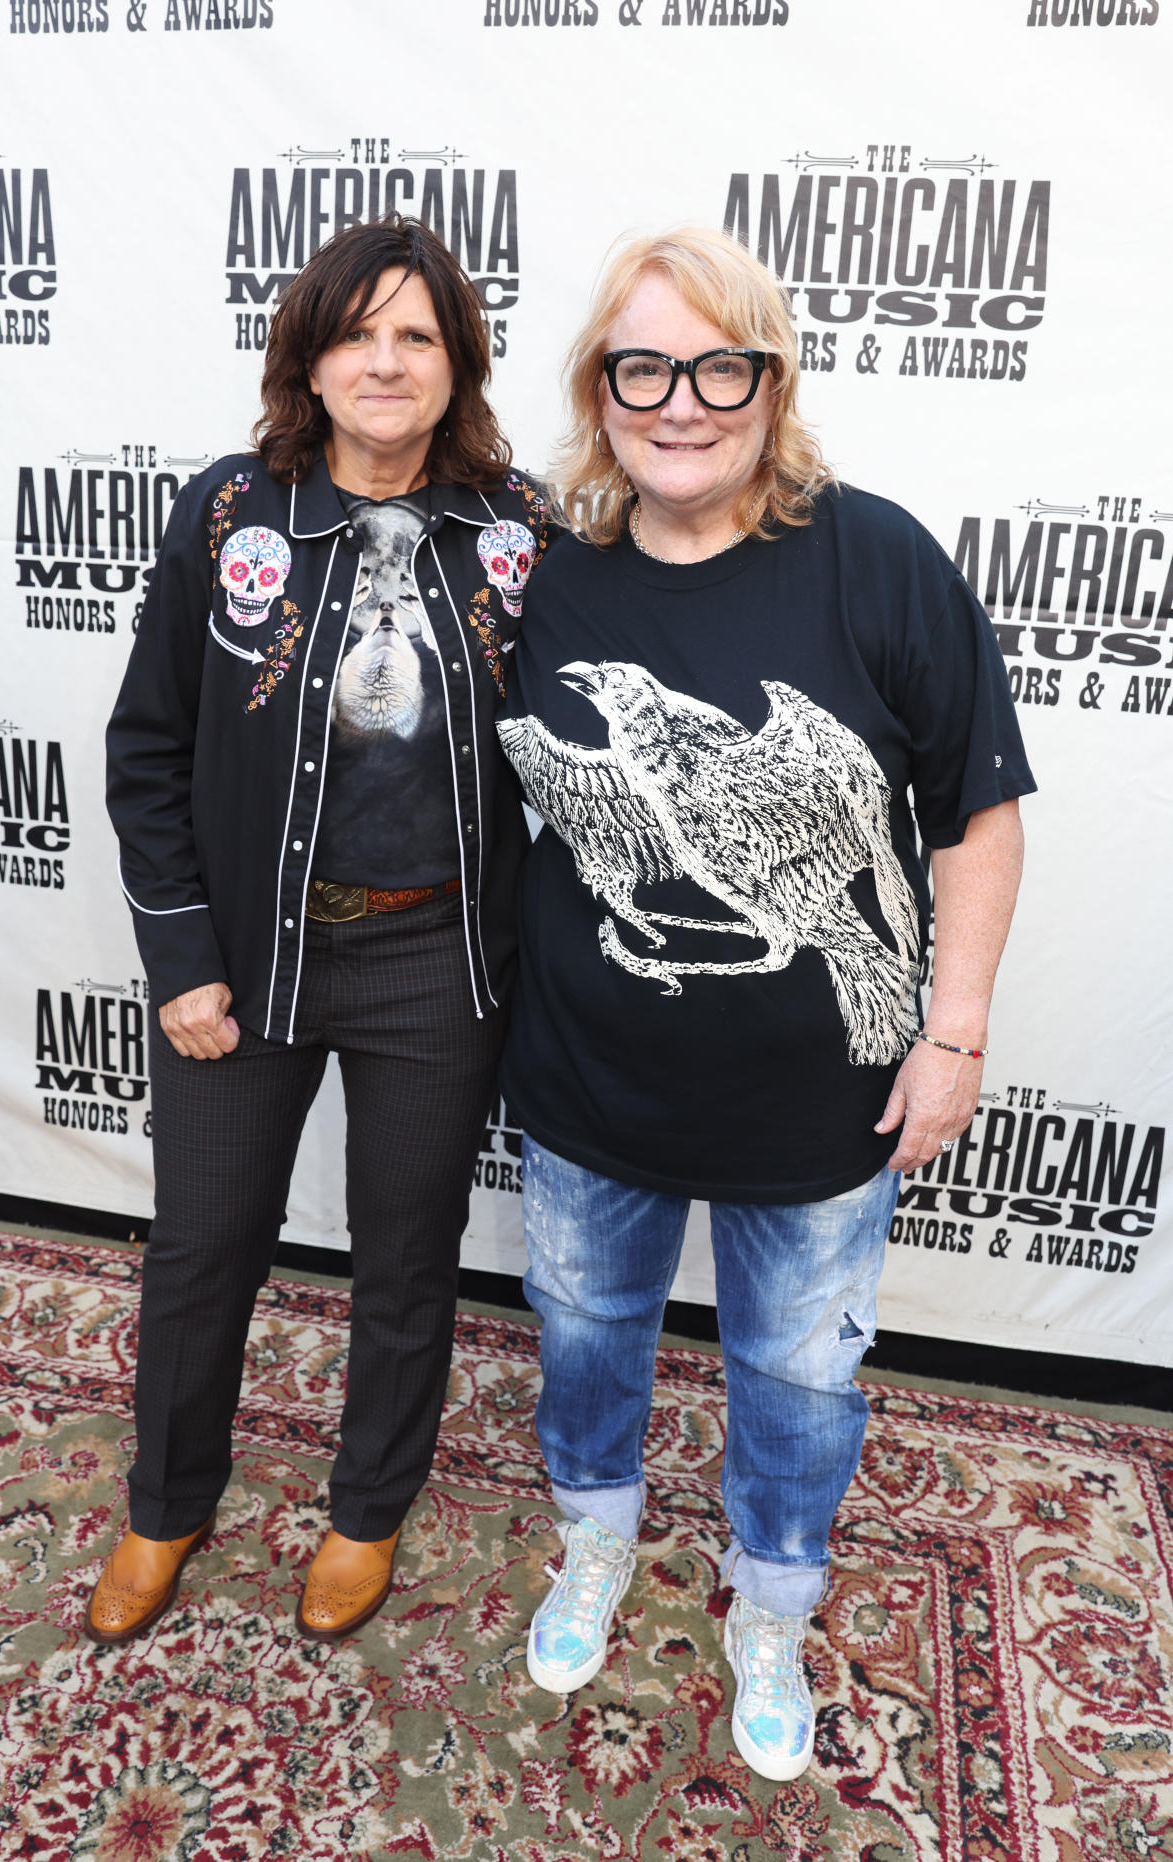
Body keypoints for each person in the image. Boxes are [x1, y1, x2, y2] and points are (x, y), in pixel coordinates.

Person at [496, 227, 1033, 1780]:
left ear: (769, 380)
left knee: (796, 1379)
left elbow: (974, 818)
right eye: (640, 367)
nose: (679, 401)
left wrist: (952, 1026)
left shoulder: (874, 559)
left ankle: (771, 1609)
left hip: (822, 1094)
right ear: (600, 391)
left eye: (716, 364)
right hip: (590, 1076)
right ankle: (592, 1542)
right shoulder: (545, 575)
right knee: (586, 1331)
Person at [90, 216, 548, 1647]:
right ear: (309, 352)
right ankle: (167, 1500)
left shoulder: (519, 530)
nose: (385, 360)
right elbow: (147, 744)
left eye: (416, 334)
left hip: (436, 959)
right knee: (201, 1243)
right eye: (357, 332)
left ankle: (367, 1508)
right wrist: (182, 955)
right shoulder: (231, 513)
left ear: (457, 358)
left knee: (405, 1254)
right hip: (248, 955)